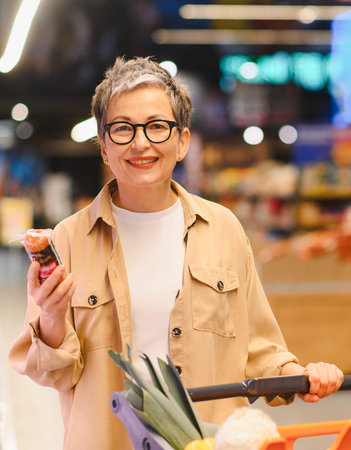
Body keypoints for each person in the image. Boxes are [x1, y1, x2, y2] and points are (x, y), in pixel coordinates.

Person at [9, 56, 343, 450]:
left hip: (210, 442)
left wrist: (303, 373)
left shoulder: (224, 230)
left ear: (182, 141)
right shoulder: (68, 239)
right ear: (103, 146)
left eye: (156, 126)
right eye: (122, 129)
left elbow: (257, 346)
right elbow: (55, 374)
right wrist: (49, 316)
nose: (140, 142)